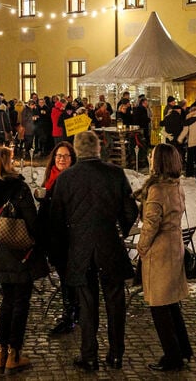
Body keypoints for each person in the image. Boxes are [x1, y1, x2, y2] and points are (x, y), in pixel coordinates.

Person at [50, 131, 139, 371]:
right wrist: (119, 229)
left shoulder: (66, 178)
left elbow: (55, 218)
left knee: (87, 305)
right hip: (109, 244)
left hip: (80, 248)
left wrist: (66, 244)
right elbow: (131, 211)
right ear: (99, 149)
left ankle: (89, 355)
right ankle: (116, 353)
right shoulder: (115, 173)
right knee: (115, 302)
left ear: (77, 150)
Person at [0, 147, 49, 374]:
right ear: (5, 164)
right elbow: (32, 221)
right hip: (21, 251)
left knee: (7, 300)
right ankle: (14, 353)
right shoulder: (18, 188)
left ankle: (1, 352)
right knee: (20, 302)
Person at [135, 143, 193, 372]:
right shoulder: (176, 186)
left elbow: (151, 224)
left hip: (159, 251)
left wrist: (142, 246)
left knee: (159, 305)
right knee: (171, 303)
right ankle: (183, 349)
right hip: (174, 246)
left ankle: (172, 356)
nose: (150, 159)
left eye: (152, 157)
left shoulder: (158, 189)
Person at [39, 141, 81, 336]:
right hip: (54, 237)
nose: (61, 159)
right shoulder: (52, 178)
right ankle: (74, 313)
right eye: (58, 156)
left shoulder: (73, 180)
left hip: (68, 239)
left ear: (72, 159)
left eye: (65, 156)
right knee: (65, 277)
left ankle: (70, 316)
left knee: (68, 278)